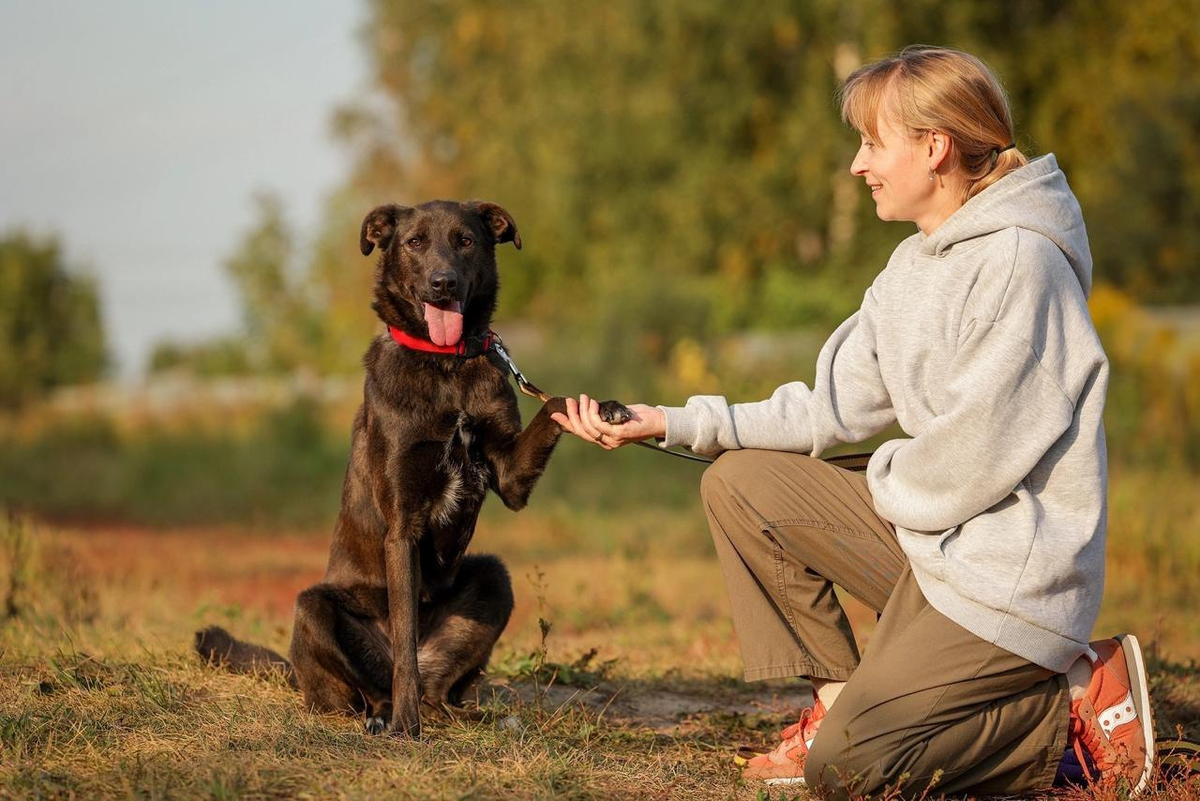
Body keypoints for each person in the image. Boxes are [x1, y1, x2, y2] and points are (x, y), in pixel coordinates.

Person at [552, 46, 1156, 798]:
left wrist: (879, 479)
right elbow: (822, 406)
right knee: (741, 484)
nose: (857, 165)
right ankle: (838, 706)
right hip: (937, 539)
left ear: (934, 148)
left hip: (1005, 578)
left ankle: (1069, 714)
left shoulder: (1022, 267)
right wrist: (668, 420)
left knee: (846, 769)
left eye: (873, 143)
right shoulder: (911, 269)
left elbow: (973, 458)